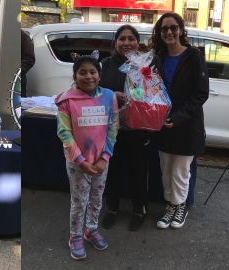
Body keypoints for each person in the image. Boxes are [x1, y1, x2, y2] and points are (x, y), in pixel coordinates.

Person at [55, 52, 118, 260]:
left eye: (93, 72)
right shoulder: (66, 100)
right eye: (82, 72)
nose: (88, 76)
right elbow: (64, 133)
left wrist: (105, 157)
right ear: (75, 76)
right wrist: (80, 161)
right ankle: (75, 236)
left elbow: (112, 128)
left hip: (101, 162)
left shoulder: (109, 97)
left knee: (97, 198)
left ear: (99, 75)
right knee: (79, 200)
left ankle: (90, 229)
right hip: (77, 164)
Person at [150, 13, 209, 229]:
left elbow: (201, 94)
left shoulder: (194, 56)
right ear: (159, 32)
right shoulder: (158, 58)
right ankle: (170, 206)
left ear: (181, 29)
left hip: (187, 126)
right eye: (164, 29)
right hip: (162, 125)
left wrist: (178, 116)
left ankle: (179, 206)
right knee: (165, 169)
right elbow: (152, 91)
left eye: (173, 27)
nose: (169, 32)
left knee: (181, 171)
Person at [99, 25, 151, 231]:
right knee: (113, 171)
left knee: (139, 172)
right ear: (116, 42)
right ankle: (112, 208)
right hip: (111, 129)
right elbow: (93, 90)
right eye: (122, 39)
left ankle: (139, 210)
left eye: (131, 39)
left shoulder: (145, 65)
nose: (127, 43)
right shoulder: (105, 64)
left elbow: (154, 92)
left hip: (138, 129)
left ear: (137, 42)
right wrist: (112, 94)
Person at [21, 29, 35, 97]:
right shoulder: (3, 33)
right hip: (1, 79)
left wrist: (16, 73)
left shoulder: (23, 36)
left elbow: (29, 59)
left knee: (15, 105)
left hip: (17, 81)